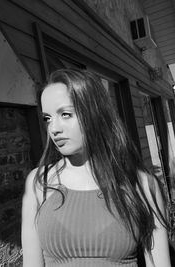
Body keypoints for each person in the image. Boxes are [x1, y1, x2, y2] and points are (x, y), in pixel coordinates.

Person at [21, 69, 171, 267]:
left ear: (95, 113)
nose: (54, 128)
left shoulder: (141, 184)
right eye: (47, 118)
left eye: (65, 114)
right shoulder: (39, 182)